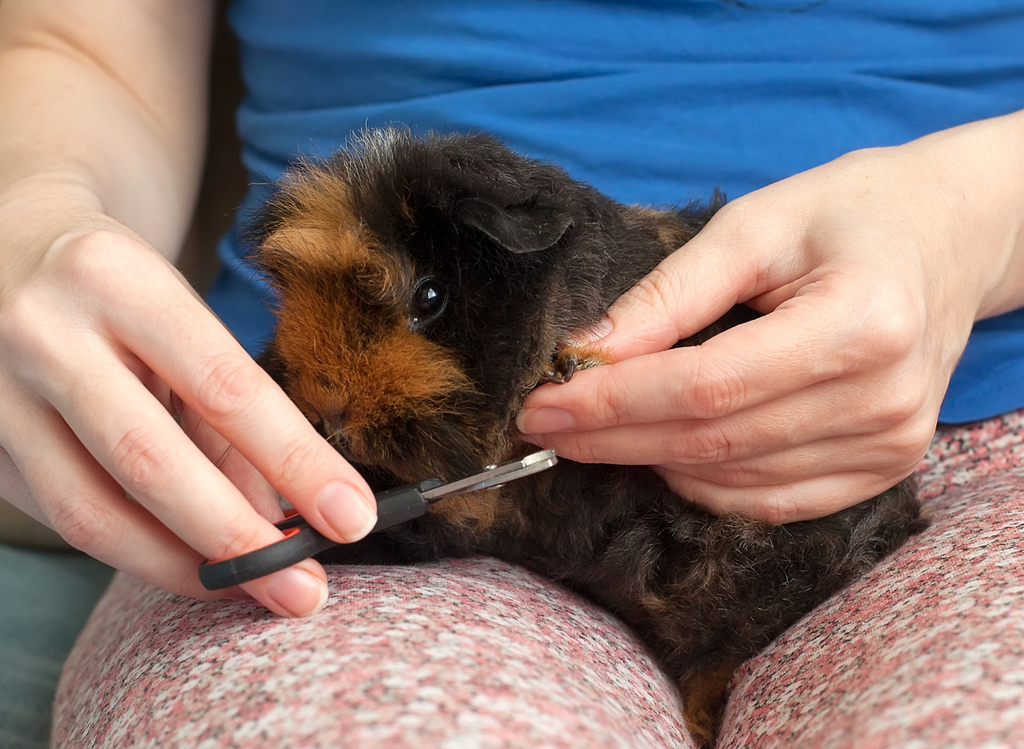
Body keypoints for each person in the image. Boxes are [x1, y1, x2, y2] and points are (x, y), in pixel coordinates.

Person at [1, 0, 1022, 747]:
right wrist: (33, 214)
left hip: (963, 433)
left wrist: (965, 226)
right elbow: (82, 45)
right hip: (305, 479)